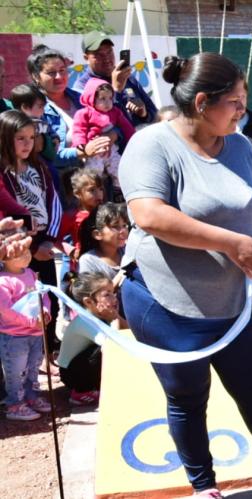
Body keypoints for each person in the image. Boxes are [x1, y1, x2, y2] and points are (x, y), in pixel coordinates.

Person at [119, 53, 252, 498]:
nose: (242, 110)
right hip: (168, 304)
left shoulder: (241, 146)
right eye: (234, 102)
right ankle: (204, 487)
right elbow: (150, 214)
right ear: (201, 103)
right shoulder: (151, 145)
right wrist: (233, 244)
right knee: (187, 398)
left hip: (237, 301)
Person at [0, 110, 64, 364]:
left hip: (43, 246)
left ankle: (47, 354)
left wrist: (48, 239)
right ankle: (22, 363)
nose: (27, 144)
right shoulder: (3, 174)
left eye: (31, 137)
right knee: (19, 305)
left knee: (46, 301)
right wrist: (32, 245)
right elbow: (11, 211)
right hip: (17, 250)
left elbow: (53, 202)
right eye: (20, 138)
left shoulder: (39, 167)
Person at [28, 45, 111, 190]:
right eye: (51, 73)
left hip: (102, 180)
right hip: (67, 186)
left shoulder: (82, 97)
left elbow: (114, 122)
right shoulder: (35, 110)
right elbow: (46, 155)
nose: (59, 77)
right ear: (36, 77)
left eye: (62, 70)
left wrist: (112, 136)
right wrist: (82, 151)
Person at [0, 239, 52, 421]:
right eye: (20, 253)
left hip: (35, 333)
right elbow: (5, 310)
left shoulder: (30, 273)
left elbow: (42, 295)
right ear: (5, 258)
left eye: (27, 251)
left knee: (33, 367)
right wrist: (31, 321)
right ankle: (14, 404)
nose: (27, 255)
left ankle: (31, 396)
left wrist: (45, 312)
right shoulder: (3, 281)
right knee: (15, 372)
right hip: (14, 336)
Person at [72, 31, 156, 127]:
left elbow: (156, 115)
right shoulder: (83, 87)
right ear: (86, 58)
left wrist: (145, 114)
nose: (106, 58)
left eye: (109, 52)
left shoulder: (127, 77)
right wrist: (116, 90)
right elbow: (100, 125)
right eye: (99, 54)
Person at [59, 271, 118, 406]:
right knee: (106, 349)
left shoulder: (100, 315)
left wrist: (115, 316)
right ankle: (81, 392)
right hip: (72, 374)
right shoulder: (86, 321)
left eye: (113, 293)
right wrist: (114, 318)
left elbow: (126, 332)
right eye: (107, 295)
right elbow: (112, 344)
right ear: (89, 301)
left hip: (80, 366)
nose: (114, 298)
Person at [72, 78, 136, 200]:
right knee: (94, 173)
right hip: (94, 151)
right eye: (102, 98)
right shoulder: (84, 113)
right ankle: (96, 196)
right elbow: (79, 129)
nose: (107, 102)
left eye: (110, 98)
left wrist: (133, 138)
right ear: (91, 98)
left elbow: (126, 126)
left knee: (120, 168)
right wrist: (80, 143)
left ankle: (119, 190)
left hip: (112, 149)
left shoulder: (115, 112)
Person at [60, 168, 105, 270]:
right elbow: (56, 239)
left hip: (104, 262)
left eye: (101, 189)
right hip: (82, 265)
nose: (98, 194)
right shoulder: (72, 216)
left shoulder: (107, 213)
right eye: (92, 190)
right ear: (78, 194)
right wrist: (70, 250)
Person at [10, 83, 58, 164]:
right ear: (25, 107)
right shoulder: (16, 125)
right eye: (40, 107)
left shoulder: (42, 121)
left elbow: (50, 130)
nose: (43, 110)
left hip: (44, 161)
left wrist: (55, 138)